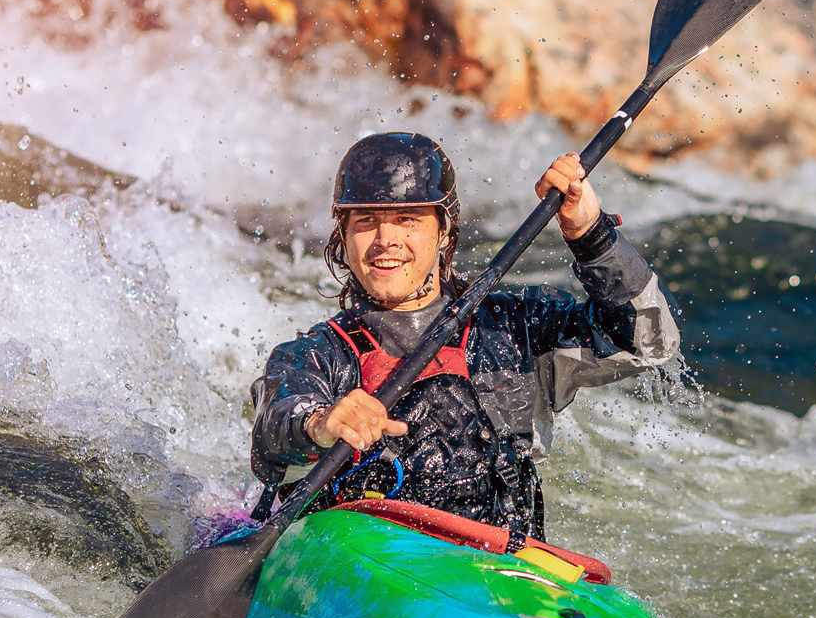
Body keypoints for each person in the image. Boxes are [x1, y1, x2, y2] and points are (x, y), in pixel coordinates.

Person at [248, 132, 680, 545]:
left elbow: (648, 342)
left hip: (497, 574)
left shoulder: (516, 331)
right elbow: (271, 438)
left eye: (407, 220)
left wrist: (592, 237)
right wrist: (320, 423)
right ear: (343, 234)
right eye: (366, 222)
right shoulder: (316, 356)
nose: (385, 240)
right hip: (370, 577)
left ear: (445, 231)